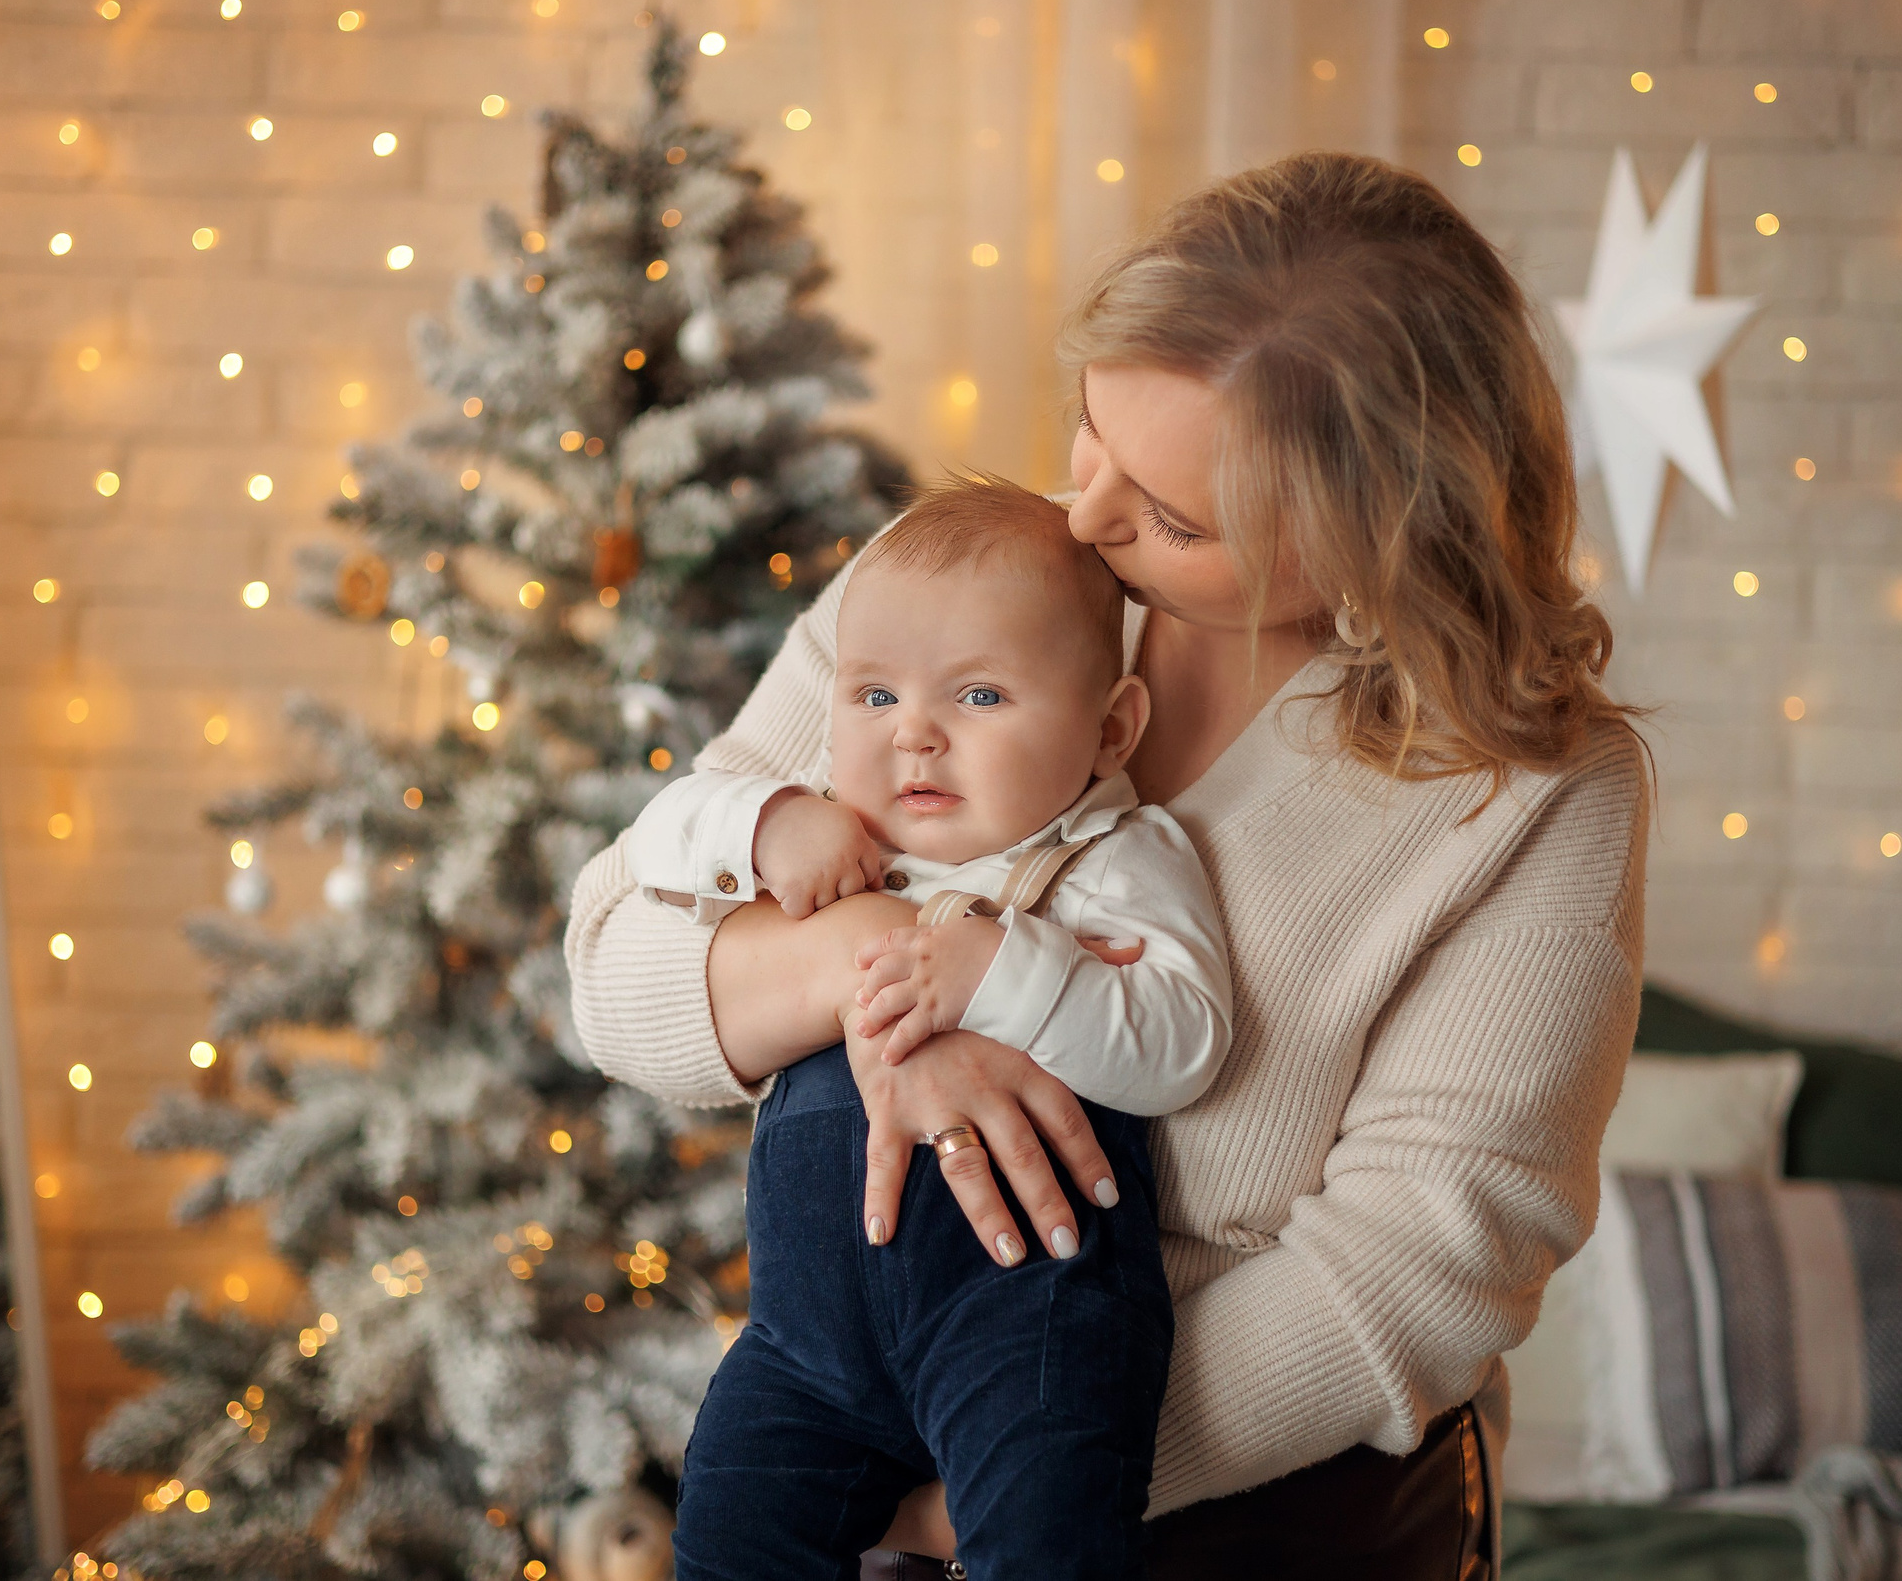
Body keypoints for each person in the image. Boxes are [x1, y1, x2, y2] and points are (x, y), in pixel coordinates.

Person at [568, 150, 1649, 1578]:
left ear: (1376, 542)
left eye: (1175, 517)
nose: (1084, 518)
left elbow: (1422, 1262)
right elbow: (618, 954)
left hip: (1235, 1523)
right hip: (871, 1451)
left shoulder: (1527, 786)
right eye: (1094, 434)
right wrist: (883, 982)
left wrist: (1007, 1469)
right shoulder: (963, 591)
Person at [620, 475, 1234, 1579]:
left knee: (1047, 1545)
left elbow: (1182, 1042)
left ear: (1109, 730)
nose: (914, 739)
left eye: (981, 699)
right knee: (724, 1539)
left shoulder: (1112, 859)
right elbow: (650, 848)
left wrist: (999, 968)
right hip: (803, 1346)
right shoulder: (835, 826)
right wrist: (763, 823)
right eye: (871, 698)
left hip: (1028, 1313)